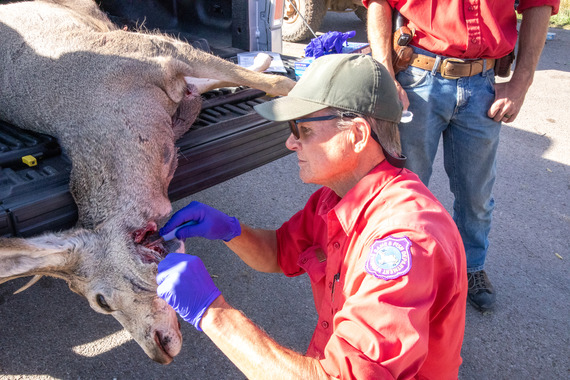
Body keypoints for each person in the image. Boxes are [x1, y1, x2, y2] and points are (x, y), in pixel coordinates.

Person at [156, 54, 467, 379]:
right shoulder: (335, 199)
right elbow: (279, 252)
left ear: (358, 135)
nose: (291, 142)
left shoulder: (403, 240)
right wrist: (229, 230)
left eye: (302, 129)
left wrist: (211, 312)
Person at [364, 0, 559, 311]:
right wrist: (385, 72)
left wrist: (521, 83)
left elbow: (540, 4)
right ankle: (399, 269)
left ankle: (470, 267)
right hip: (417, 76)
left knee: (476, 195)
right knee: (404, 191)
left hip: (482, 84)